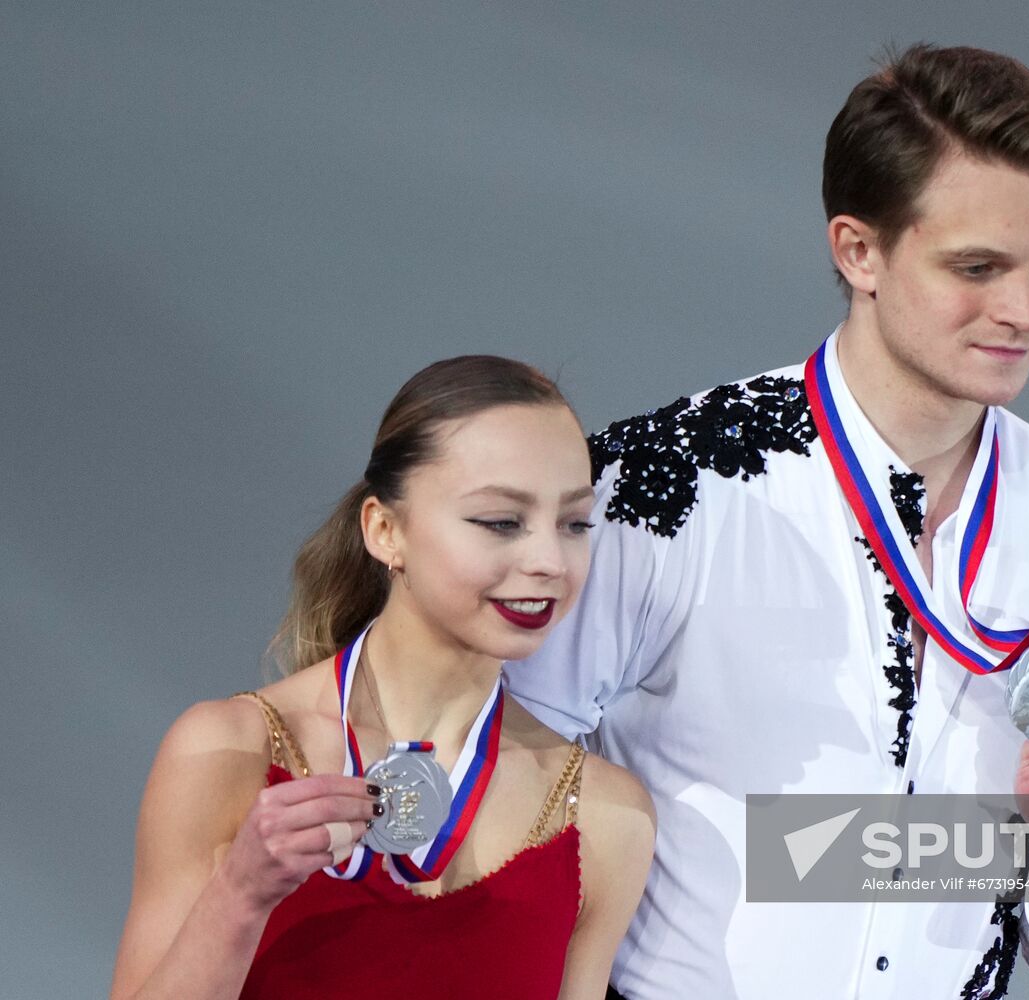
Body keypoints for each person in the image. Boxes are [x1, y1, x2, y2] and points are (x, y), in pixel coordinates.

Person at [505, 44, 1029, 1000]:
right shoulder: (667, 482)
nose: (1022, 310)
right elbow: (500, 813)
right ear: (858, 250)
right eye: (976, 266)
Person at [111, 356, 656, 999]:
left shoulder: (605, 814)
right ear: (384, 529)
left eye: (574, 523)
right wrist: (240, 893)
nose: (548, 561)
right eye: (500, 522)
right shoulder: (228, 751)